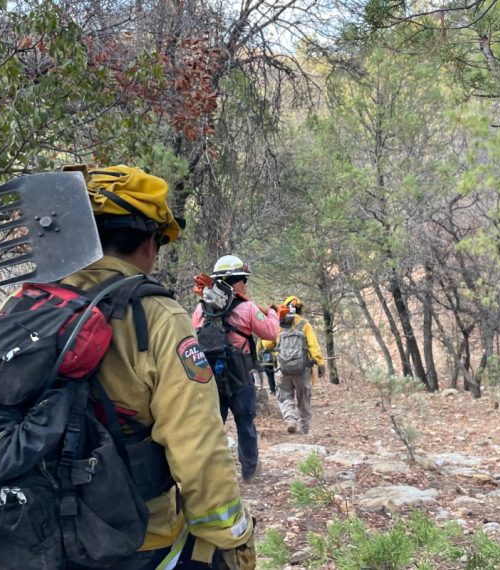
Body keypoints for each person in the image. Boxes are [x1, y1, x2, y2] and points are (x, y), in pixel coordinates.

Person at [60, 165, 255, 570]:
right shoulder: (156, 316)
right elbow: (197, 443)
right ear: (149, 243)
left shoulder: (24, 307)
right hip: (134, 535)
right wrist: (232, 533)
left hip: (33, 531)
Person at [192, 255, 280, 483]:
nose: (246, 285)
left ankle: (211, 476)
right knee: (245, 423)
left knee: (212, 426)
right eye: (244, 279)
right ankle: (249, 471)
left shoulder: (201, 309)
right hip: (240, 375)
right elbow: (270, 333)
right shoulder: (248, 308)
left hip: (210, 375)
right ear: (236, 281)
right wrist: (272, 313)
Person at [259, 296, 325, 435]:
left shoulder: (278, 324)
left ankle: (290, 420)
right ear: (300, 309)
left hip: (282, 369)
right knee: (304, 398)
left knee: (285, 396)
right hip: (302, 369)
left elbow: (267, 344)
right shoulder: (304, 324)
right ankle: (305, 429)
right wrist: (320, 363)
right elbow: (313, 346)